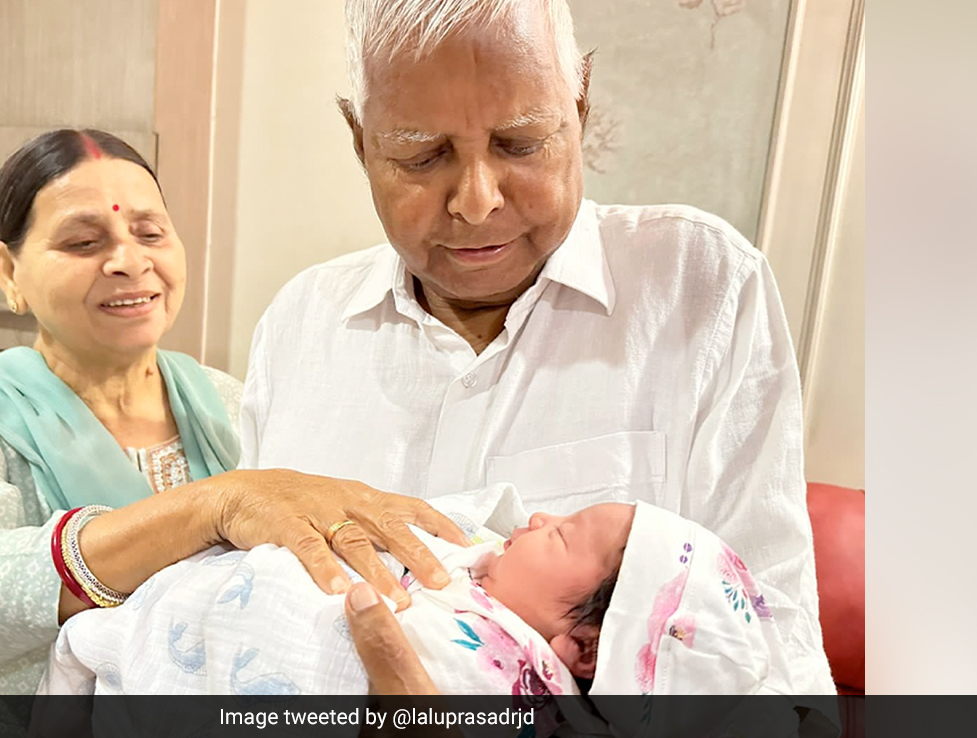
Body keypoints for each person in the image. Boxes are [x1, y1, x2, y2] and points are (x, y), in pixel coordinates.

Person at [240, 0, 834, 696]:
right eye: (420, 156)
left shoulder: (699, 290)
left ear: (578, 110)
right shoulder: (300, 325)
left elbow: (779, 679)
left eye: (520, 144)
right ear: (360, 141)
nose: (476, 200)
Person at [0, 128, 467, 704]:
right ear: (9, 272)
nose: (129, 262)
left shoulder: (225, 400)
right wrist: (211, 506)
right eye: (84, 242)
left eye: (150, 233)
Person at [40, 486, 794, 704]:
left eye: (563, 537)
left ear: (585, 648)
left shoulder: (492, 675)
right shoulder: (481, 567)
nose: (538, 517)